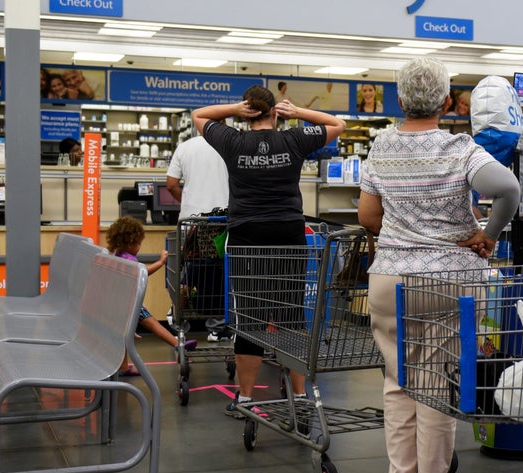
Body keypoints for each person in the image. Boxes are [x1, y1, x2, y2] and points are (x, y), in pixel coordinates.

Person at [358, 57, 521, 473]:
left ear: (399, 100)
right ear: (448, 102)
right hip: (449, 281)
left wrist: (402, 229)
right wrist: (488, 234)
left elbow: (368, 217)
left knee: (397, 383)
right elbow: (507, 189)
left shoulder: (381, 146)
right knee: (436, 386)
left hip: (390, 280)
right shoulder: (460, 149)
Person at [192, 85, 345, 403]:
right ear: (276, 111)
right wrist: (299, 113)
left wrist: (234, 109)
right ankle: (300, 394)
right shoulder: (294, 139)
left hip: (248, 235)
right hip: (288, 233)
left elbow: (199, 115)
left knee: (250, 317)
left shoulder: (233, 141)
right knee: (291, 314)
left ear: (248, 113)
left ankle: (246, 397)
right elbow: (337, 125)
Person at [105, 216, 196, 376]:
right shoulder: (129, 258)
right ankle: (177, 344)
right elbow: (143, 272)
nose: (139, 247)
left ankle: (124, 367)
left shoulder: (115, 254)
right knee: (153, 324)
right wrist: (160, 263)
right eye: (138, 243)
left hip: (118, 301)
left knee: (124, 336)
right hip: (129, 303)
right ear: (130, 242)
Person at [166, 128, 229, 217]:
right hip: (224, 216)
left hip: (192, 217)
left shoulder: (184, 147)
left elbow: (171, 185)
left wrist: (187, 201)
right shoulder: (233, 146)